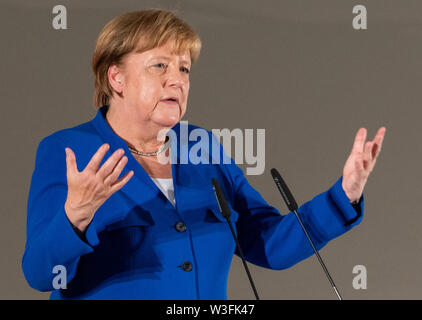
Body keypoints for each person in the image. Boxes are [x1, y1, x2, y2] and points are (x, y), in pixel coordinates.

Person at [21, 9, 386, 300]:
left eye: (184, 68)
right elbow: (39, 273)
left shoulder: (203, 148)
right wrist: (74, 217)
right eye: (159, 65)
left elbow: (268, 243)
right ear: (116, 77)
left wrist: (344, 195)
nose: (177, 80)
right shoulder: (68, 151)